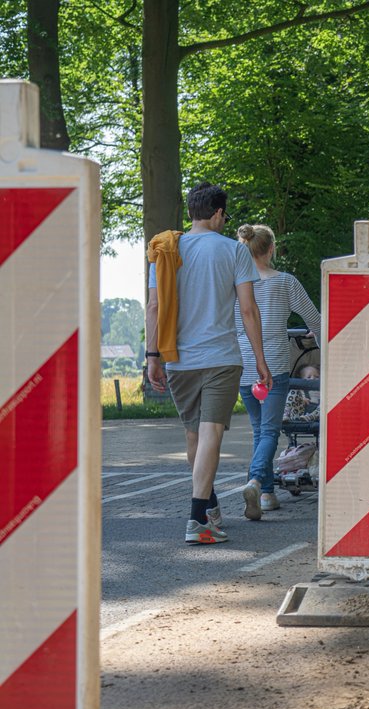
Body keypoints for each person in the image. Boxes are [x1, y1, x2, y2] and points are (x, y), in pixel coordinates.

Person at [145, 182, 270, 545]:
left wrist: (152, 356)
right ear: (217, 213)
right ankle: (198, 518)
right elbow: (248, 310)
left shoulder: (166, 250)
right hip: (221, 359)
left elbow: (154, 307)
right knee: (211, 434)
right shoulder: (234, 251)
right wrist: (260, 360)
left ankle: (210, 505)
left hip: (178, 359)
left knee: (194, 436)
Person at [234, 224, 321, 519]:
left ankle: (268, 494)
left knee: (259, 430)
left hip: (243, 365)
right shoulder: (285, 282)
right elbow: (316, 319)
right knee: (271, 430)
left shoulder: (235, 284)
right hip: (274, 365)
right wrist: (322, 343)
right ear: (271, 249)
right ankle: (256, 481)